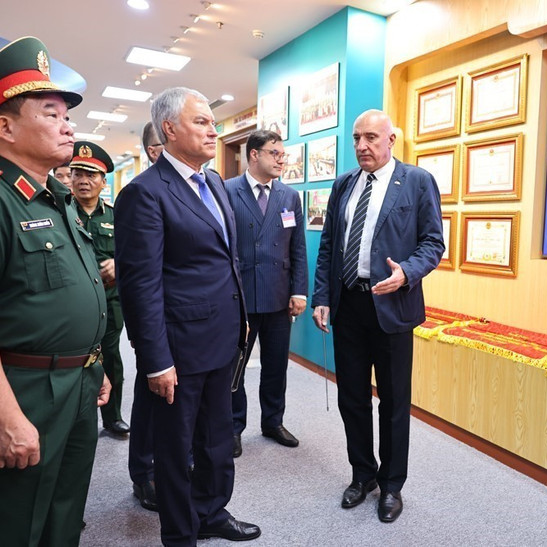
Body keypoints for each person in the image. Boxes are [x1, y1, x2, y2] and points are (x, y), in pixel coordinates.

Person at [0, 36, 110, 546]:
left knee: (63, 516)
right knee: (12, 522)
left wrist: (97, 364)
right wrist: (4, 416)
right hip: (23, 391)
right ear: (5, 126)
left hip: (78, 383)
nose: (69, 125)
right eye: (51, 113)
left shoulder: (55, 199)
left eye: (67, 114)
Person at [115, 87, 260, 545]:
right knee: (176, 450)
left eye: (213, 123)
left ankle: (212, 510)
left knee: (218, 440)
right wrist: (155, 359)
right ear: (170, 129)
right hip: (178, 348)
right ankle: (180, 533)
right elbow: (141, 285)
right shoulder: (144, 194)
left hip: (222, 338)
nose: (212, 131)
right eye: (201, 122)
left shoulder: (214, 181)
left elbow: (224, 258)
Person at [311, 109, 444, 523]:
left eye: (371, 137)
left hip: (392, 306)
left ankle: (391, 485)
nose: (362, 146)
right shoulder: (344, 184)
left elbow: (433, 243)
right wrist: (322, 296)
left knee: (393, 401)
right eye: (356, 138)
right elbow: (330, 245)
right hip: (349, 305)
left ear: (391, 140)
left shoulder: (417, 181)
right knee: (352, 398)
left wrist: (407, 272)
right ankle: (362, 474)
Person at [223, 130, 307, 457]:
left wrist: (299, 291)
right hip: (238, 297)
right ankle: (232, 426)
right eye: (274, 153)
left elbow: (298, 248)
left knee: (275, 366)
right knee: (235, 367)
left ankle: (273, 421)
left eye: (282, 153)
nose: (281, 159)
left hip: (277, 296)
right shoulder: (227, 191)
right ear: (254, 155)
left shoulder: (289, 197)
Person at [70, 141, 130, 437]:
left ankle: (112, 416)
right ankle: (72, 420)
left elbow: (136, 253)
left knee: (110, 358)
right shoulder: (61, 211)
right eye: (77, 173)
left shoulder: (117, 214)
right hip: (72, 304)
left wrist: (120, 263)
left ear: (103, 181)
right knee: (71, 360)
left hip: (110, 300)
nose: (83, 180)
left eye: (91, 175)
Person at [127, 121, 162, 512]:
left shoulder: (207, 184)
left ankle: (170, 465)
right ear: (155, 149)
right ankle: (144, 473)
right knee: (149, 398)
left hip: (196, 324)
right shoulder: (142, 192)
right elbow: (139, 275)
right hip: (158, 321)